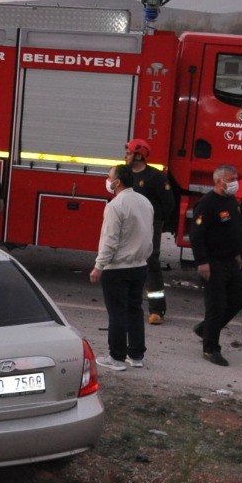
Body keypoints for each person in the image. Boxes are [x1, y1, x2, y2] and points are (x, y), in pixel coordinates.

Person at [89, 164, 156, 370]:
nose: (107, 180)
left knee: (117, 312)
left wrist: (98, 266)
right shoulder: (144, 202)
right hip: (140, 265)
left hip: (117, 268)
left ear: (117, 182)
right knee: (134, 310)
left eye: (109, 177)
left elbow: (110, 240)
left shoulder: (115, 206)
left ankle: (116, 357)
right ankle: (136, 355)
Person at [189, 164, 242, 367]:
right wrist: (202, 261)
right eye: (231, 179)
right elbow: (196, 234)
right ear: (219, 181)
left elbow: (235, 228)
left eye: (236, 178)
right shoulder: (207, 203)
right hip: (214, 262)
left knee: (240, 298)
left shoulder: (231, 200)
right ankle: (210, 348)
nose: (235, 182)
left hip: (231, 260)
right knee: (216, 306)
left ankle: (205, 329)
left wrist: (237, 252)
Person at [121, 138, 175, 324]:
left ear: (139, 155)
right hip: (129, 226)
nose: (125, 156)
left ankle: (156, 310)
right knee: (127, 262)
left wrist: (157, 223)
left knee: (151, 263)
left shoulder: (155, 177)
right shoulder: (125, 174)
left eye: (128, 153)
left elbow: (168, 203)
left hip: (150, 226)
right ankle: (129, 305)